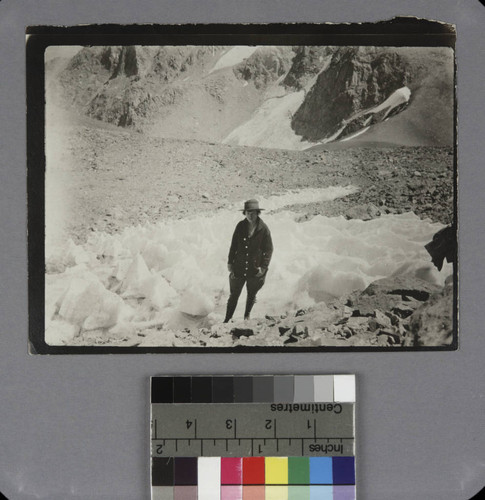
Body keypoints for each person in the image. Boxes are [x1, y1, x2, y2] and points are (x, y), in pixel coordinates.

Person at [224, 199, 273, 322]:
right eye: (247, 213)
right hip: (239, 266)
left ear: (258, 213)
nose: (250, 215)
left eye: (253, 213)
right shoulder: (240, 226)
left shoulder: (264, 229)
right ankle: (227, 319)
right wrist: (230, 262)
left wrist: (263, 267)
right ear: (244, 213)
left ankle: (246, 316)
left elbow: (269, 249)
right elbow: (233, 245)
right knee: (234, 295)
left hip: (254, 267)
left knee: (251, 294)